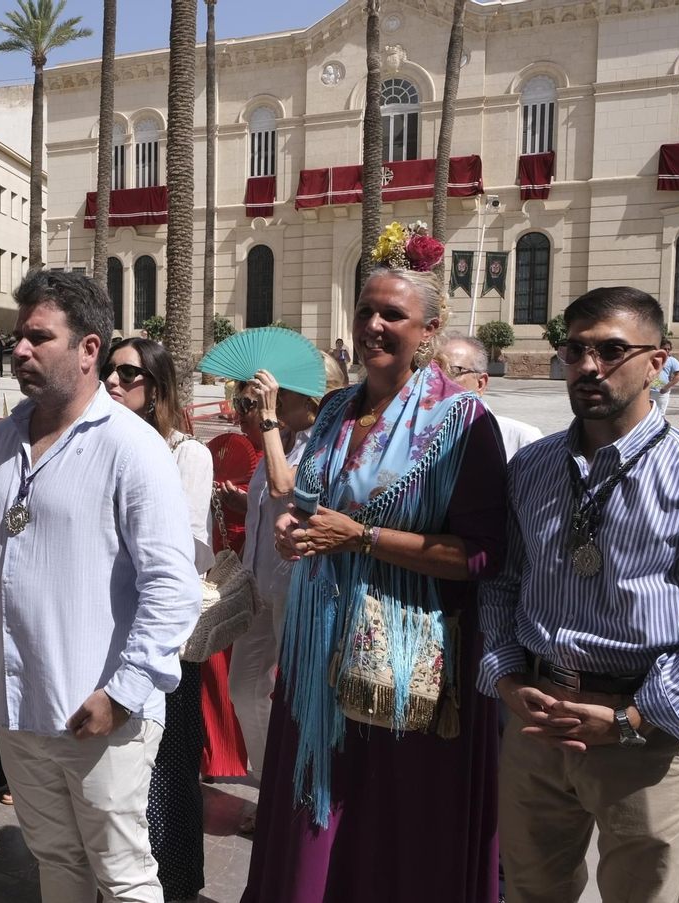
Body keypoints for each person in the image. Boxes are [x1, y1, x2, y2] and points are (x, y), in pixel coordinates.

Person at [241, 267, 508, 903]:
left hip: (400, 658)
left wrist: (361, 539)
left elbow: (482, 556)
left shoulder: (462, 422)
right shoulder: (335, 408)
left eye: (392, 314)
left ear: (430, 330)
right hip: (315, 653)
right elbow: (306, 508)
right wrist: (294, 533)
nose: (374, 326)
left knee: (390, 830)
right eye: (365, 312)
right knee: (314, 820)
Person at [483, 286, 679, 903]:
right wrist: (506, 679)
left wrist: (630, 722)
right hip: (537, 724)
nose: (588, 367)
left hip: (646, 736)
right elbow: (502, 584)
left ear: (658, 363)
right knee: (529, 891)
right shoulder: (533, 466)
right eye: (574, 350)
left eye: (611, 349)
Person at [0, 270, 199, 903]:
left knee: (123, 878)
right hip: (19, 710)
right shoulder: (0, 443)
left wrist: (122, 694)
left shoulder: (132, 448)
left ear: (89, 349)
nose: (20, 350)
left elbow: (171, 589)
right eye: (19, 336)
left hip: (99, 719)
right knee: (55, 863)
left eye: (39, 337)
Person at [103, 336, 214, 903]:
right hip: (106, 631)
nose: (113, 382)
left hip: (161, 635)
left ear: (157, 388)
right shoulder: (100, 446)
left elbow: (191, 552)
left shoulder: (186, 454)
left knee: (167, 769)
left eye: (128, 374)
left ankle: (171, 884)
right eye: (109, 372)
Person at [227, 355, 345, 829]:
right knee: (245, 688)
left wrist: (271, 419)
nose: (271, 403)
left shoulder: (327, 441)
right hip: (261, 583)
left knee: (293, 694)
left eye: (285, 394)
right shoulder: (289, 439)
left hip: (300, 587)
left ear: (312, 400)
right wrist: (241, 501)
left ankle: (297, 800)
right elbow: (268, 493)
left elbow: (287, 485)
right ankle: (273, 786)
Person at [199, 389, 263, 782]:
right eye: (237, 403)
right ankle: (221, 753)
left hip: (260, 567)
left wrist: (249, 505)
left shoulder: (289, 451)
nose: (239, 413)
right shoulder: (230, 449)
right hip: (226, 560)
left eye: (248, 405)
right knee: (222, 663)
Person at [440, 335, 544, 458]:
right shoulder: (415, 442)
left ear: (480, 384)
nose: (436, 381)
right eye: (429, 373)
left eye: (452, 372)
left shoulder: (524, 442)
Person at [656, 339, 679, 412]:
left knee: (660, 414)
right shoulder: (652, 358)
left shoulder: (672, 361)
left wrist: (667, 387)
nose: (667, 350)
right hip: (649, 391)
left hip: (662, 392)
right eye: (664, 349)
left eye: (668, 349)